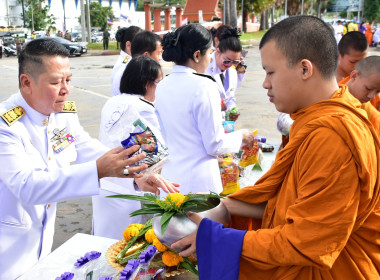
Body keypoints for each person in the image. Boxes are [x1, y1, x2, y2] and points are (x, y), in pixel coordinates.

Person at [173, 16, 380, 280]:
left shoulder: (332, 137)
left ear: (305, 69)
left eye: (270, 72)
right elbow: (286, 203)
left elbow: (305, 243)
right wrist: (225, 206)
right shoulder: (319, 118)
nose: (265, 83)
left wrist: (219, 239)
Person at [0, 38, 176, 279]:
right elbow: (27, 186)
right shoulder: (6, 125)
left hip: (44, 241)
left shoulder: (61, 113)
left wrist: (134, 175)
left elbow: (84, 146)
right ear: (26, 82)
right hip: (9, 250)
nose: (65, 89)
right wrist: (96, 170)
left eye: (68, 80)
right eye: (56, 82)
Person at [155, 24, 255, 196]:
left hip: (171, 182)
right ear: (197, 55)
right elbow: (214, 144)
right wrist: (242, 136)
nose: (210, 59)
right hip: (198, 185)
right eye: (210, 53)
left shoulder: (162, 85)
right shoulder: (204, 85)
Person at [93, 56, 176, 239]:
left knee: (103, 238)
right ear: (148, 84)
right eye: (159, 83)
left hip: (104, 181)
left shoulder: (113, 102)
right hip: (129, 185)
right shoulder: (144, 107)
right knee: (126, 244)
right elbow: (157, 149)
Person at [206, 27, 242, 120]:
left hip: (223, 123)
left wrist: (231, 111)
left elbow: (230, 98)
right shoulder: (204, 67)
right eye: (227, 61)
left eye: (235, 62)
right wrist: (217, 106)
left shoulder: (233, 72)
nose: (230, 65)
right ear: (218, 52)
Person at [112, 31, 162, 96]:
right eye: (158, 53)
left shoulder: (135, 70)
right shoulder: (133, 75)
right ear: (146, 56)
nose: (160, 58)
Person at [344, 56, 380, 134]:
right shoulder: (331, 98)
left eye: (377, 92)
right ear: (354, 76)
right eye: (368, 88)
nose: (372, 96)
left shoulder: (367, 110)